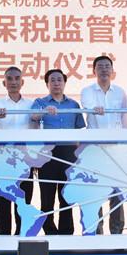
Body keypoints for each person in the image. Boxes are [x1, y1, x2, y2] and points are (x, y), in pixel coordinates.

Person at [31, 69, 86, 235]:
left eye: (59, 80)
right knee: (47, 196)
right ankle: (49, 231)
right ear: (47, 84)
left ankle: (66, 232)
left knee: (66, 195)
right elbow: (33, 117)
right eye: (52, 80)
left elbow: (79, 129)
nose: (56, 83)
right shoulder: (40, 102)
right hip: (47, 153)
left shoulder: (73, 105)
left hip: (69, 152)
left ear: (64, 83)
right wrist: (44, 111)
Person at [80, 55, 127, 234]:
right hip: (95, 149)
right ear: (94, 71)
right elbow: (88, 106)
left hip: (117, 149)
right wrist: (96, 109)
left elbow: (125, 118)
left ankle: (117, 232)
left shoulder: (120, 92)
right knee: (95, 191)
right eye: (100, 66)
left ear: (112, 70)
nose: (104, 69)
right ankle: (96, 232)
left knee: (117, 191)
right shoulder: (87, 91)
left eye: (107, 66)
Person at [0, 66, 35, 235]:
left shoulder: (31, 104)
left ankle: (21, 235)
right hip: (3, 158)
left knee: (24, 197)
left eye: (17, 78)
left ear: (22, 82)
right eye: (9, 79)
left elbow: (36, 125)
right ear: (4, 83)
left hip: (25, 157)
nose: (13, 82)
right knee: (3, 197)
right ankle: (3, 236)